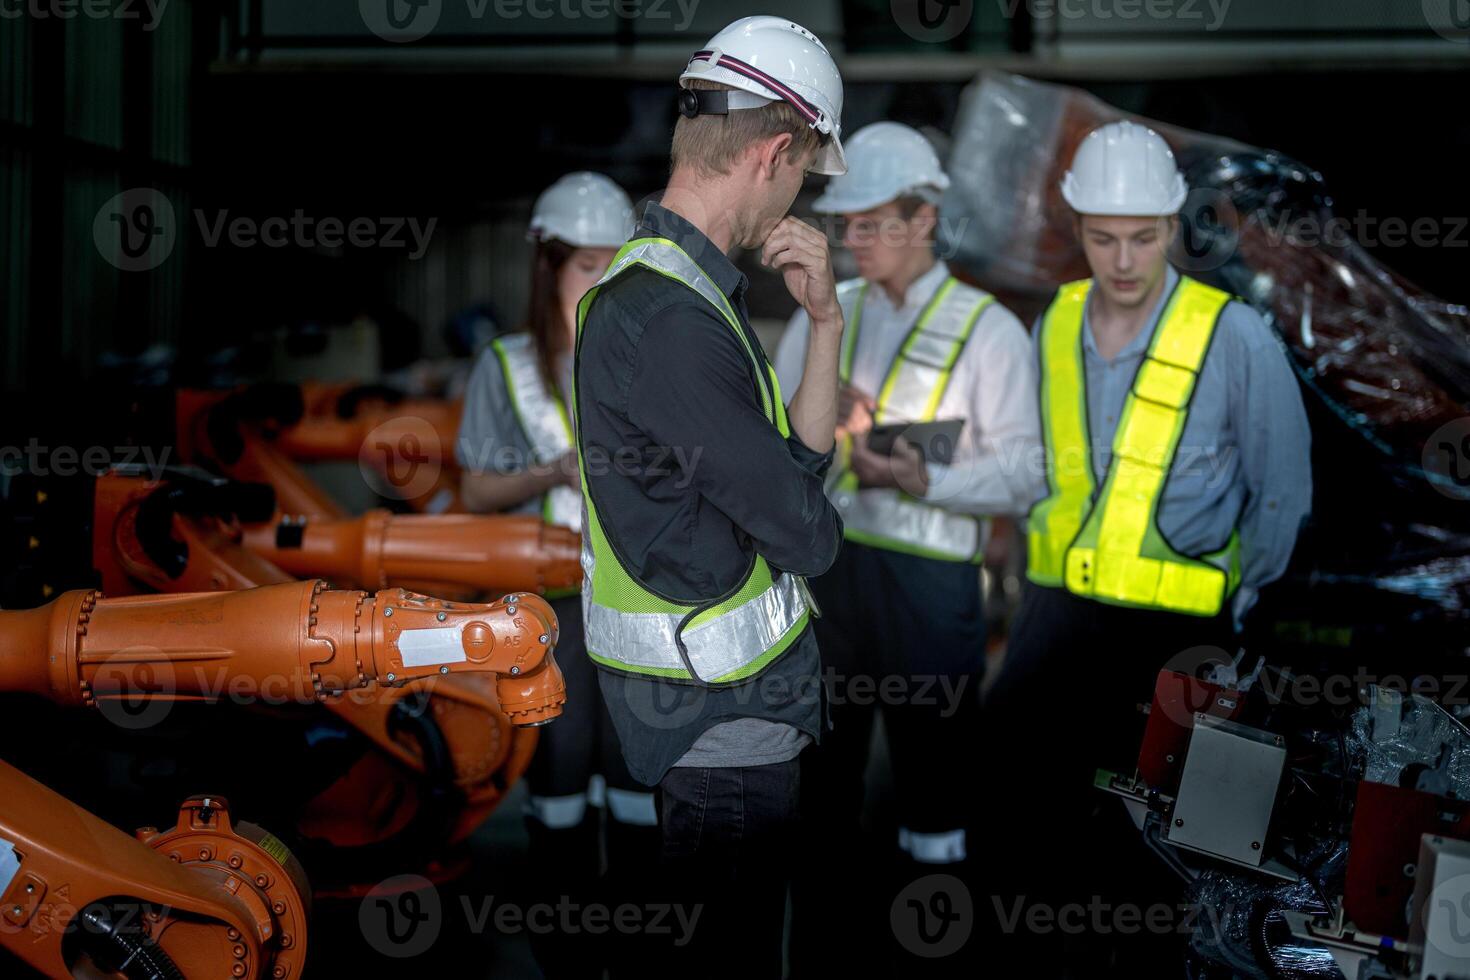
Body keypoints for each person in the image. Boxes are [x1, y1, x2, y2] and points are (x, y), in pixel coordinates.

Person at [981, 121, 1313, 977]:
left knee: (1159, 850)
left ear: (1173, 227)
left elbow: (1282, 494)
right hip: (1057, 620)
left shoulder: (1231, 334)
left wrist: (1244, 617)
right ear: (1078, 230)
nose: (1123, 260)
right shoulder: (1052, 323)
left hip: (1178, 633)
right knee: (1025, 816)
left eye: (1143, 237)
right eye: (1103, 238)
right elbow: (1021, 455)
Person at [571, 15, 847, 977]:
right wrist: (802, 505)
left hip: (717, 714)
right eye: (804, 175)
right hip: (721, 721)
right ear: (775, 152)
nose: (797, 198)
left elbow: (795, 476)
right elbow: (810, 532)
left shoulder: (687, 291)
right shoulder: (670, 321)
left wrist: (825, 323)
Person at [772, 121, 1043, 975]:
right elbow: (767, 443)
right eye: (845, 222)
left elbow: (1027, 474)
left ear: (925, 219)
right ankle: (823, 956)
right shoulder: (826, 314)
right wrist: (818, 416)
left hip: (932, 593)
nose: (851, 239)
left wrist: (926, 482)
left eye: (871, 221)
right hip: (831, 587)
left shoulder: (988, 329)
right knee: (823, 788)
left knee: (935, 794)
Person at [456, 171, 655, 979]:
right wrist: (554, 470)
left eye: (614, 265)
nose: (599, 282)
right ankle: (567, 954)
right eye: (585, 265)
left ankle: (637, 947)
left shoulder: (649, 357)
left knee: (640, 782)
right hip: (551, 616)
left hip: (640, 609)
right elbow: (474, 488)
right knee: (561, 782)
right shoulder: (506, 366)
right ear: (548, 267)